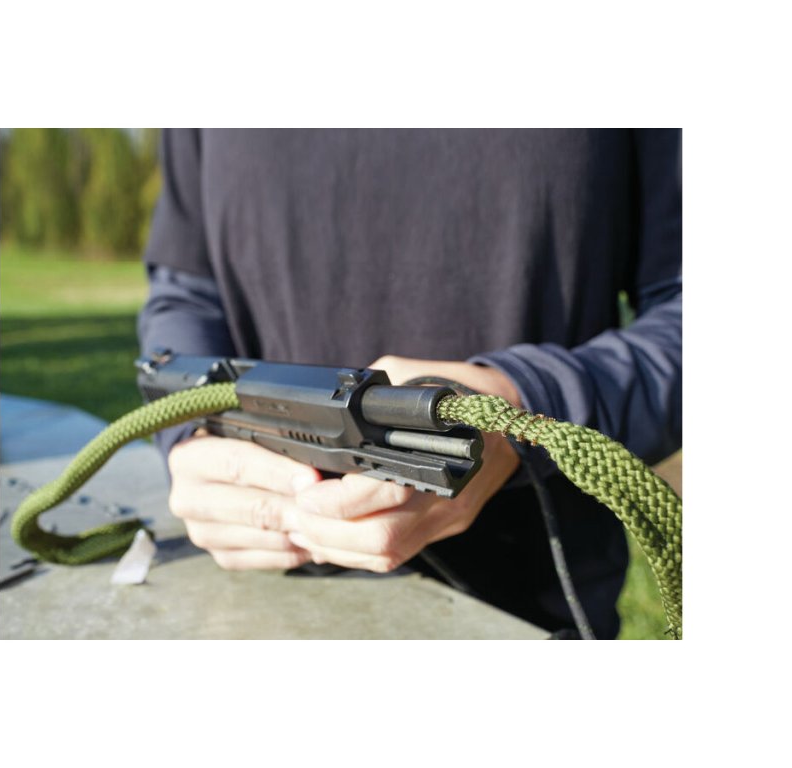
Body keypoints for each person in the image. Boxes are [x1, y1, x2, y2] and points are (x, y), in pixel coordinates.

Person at [137, 129, 681, 639]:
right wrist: (191, 432)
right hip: (251, 601)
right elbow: (186, 293)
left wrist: (531, 397)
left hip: (525, 615)